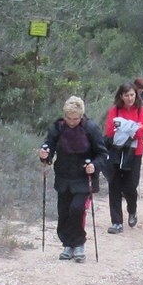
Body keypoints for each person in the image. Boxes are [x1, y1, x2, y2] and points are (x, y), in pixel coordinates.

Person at [39, 97, 110, 262]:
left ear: (82, 116)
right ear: (64, 115)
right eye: (68, 118)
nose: (71, 122)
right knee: (63, 212)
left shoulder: (91, 128)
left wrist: (94, 165)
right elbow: (48, 147)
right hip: (63, 177)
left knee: (77, 209)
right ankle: (67, 244)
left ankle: (78, 244)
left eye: (75, 119)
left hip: (84, 178)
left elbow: (103, 153)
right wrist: (44, 156)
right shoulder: (57, 128)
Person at [104, 82, 143, 233]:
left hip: (134, 152)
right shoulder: (115, 110)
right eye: (126, 95)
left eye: (132, 95)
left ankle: (132, 209)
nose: (130, 98)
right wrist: (130, 127)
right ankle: (116, 222)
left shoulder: (141, 111)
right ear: (121, 96)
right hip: (117, 151)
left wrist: (124, 128)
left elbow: (141, 132)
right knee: (114, 185)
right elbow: (110, 131)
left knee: (130, 186)